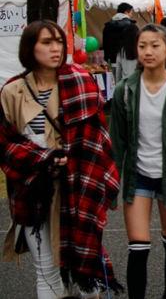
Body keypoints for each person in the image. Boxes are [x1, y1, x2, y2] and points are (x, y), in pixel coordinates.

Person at [0, 21, 122, 298]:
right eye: (46, 42)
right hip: (34, 191)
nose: (55, 48)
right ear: (30, 47)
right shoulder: (12, 91)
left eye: (58, 41)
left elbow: (97, 138)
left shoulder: (81, 80)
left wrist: (81, 163)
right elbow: (5, 143)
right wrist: (44, 158)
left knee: (85, 274)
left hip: (79, 187)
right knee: (46, 273)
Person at [110, 24, 166, 299]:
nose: (148, 52)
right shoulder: (124, 91)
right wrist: (110, 187)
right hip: (138, 177)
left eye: (154, 45)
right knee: (138, 245)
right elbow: (117, 143)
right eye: (142, 46)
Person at [103, 2, 139, 83]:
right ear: (126, 12)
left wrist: (106, 58)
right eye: (131, 12)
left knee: (116, 82)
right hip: (128, 57)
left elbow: (105, 43)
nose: (131, 15)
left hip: (111, 59)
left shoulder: (108, 25)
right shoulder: (130, 25)